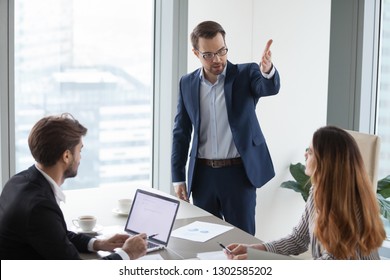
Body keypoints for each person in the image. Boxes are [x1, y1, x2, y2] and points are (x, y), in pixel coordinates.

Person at [171, 20, 280, 235]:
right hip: (203, 177)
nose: (217, 59)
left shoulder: (246, 74)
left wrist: (267, 71)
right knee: (204, 240)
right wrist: (178, 177)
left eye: (222, 51)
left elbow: (268, 87)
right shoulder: (187, 83)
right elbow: (181, 133)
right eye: (208, 54)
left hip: (239, 174)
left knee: (243, 243)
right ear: (196, 53)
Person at [0, 113, 147, 260]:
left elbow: (56, 234)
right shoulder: (39, 208)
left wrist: (98, 243)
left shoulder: (18, 181)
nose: (80, 157)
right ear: (66, 156)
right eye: (80, 150)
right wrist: (128, 253)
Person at [225, 126, 386, 259]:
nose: (305, 154)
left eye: (310, 151)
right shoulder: (318, 190)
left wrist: (265, 262)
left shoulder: (352, 204)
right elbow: (298, 239)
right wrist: (256, 249)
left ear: (325, 161)